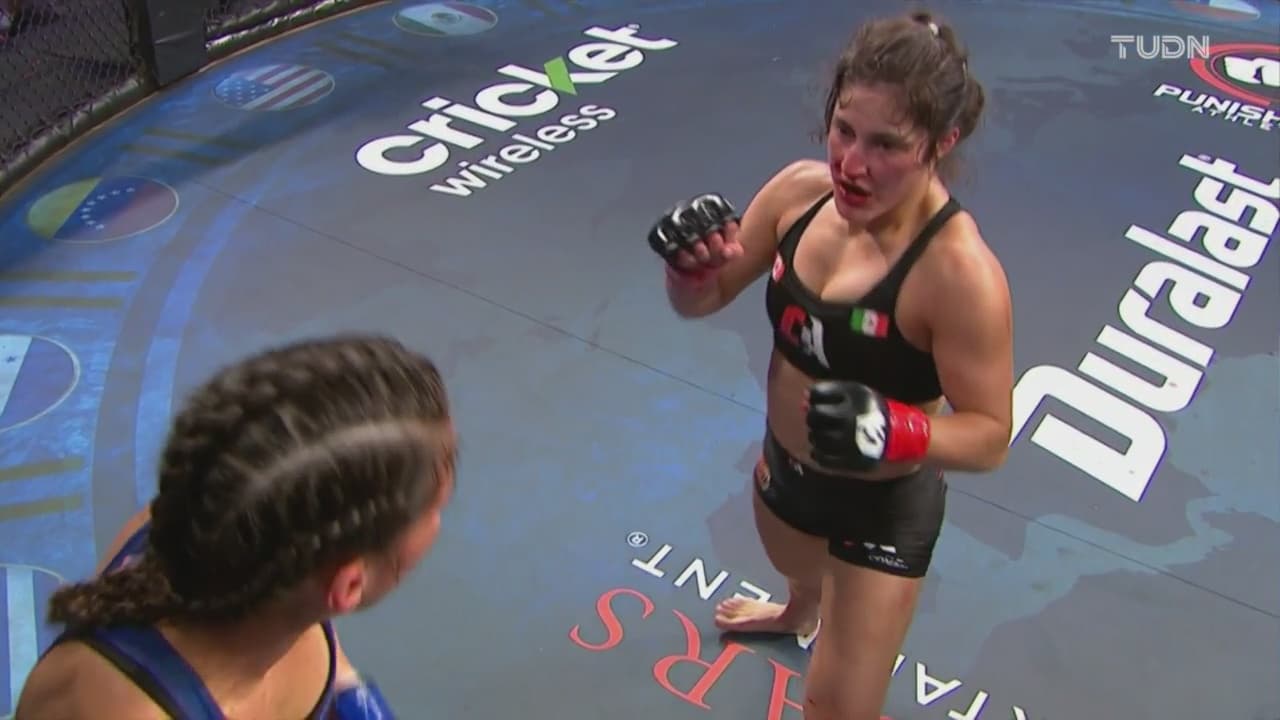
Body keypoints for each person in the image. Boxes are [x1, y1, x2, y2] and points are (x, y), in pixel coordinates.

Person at [647, 10, 1013, 720]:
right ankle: (798, 609)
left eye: (886, 145)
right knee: (798, 572)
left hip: (881, 508)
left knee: (838, 709)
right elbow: (703, 300)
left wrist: (898, 430)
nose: (852, 163)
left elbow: (991, 436)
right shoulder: (797, 194)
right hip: (785, 471)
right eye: (845, 129)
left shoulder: (959, 274)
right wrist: (687, 272)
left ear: (942, 142)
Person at [15, 334, 456, 719]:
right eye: (434, 507)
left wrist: (354, 697)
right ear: (349, 584)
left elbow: (330, 658)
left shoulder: (255, 544)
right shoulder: (113, 707)